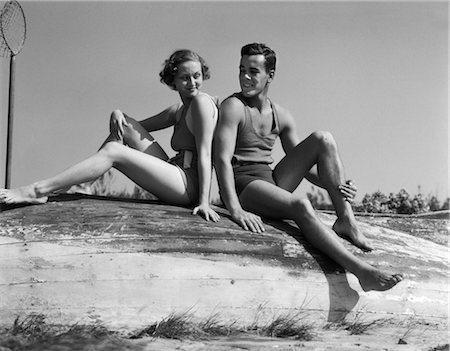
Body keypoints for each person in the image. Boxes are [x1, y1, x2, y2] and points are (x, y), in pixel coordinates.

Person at [214, 43, 402, 291]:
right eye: (241, 70)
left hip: (270, 180)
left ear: (270, 75)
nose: (245, 77)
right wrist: (235, 209)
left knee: (323, 139)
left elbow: (305, 165)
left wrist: (337, 186)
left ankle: (346, 220)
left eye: (253, 71)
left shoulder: (280, 114)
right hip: (245, 186)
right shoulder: (233, 107)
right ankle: (362, 272)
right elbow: (222, 159)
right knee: (302, 204)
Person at [0, 49, 220, 222]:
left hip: (188, 186)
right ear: (173, 81)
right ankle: (80, 185)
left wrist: (204, 202)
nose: (192, 83)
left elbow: (206, 154)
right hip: (176, 171)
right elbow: (131, 128)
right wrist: (117, 113)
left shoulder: (202, 103)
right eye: (185, 78)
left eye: (197, 76)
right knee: (123, 126)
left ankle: (38, 189)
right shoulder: (178, 110)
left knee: (114, 152)